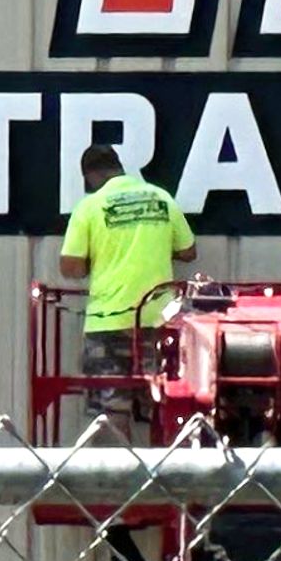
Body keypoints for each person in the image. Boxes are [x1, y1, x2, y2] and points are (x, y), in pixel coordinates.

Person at [57, 143, 197, 402]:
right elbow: (188, 251)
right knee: (162, 405)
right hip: (158, 321)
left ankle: (119, 443)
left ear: (90, 176)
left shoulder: (89, 207)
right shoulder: (161, 198)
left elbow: (71, 267)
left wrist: (99, 256)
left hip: (107, 322)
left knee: (110, 409)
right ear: (119, 168)